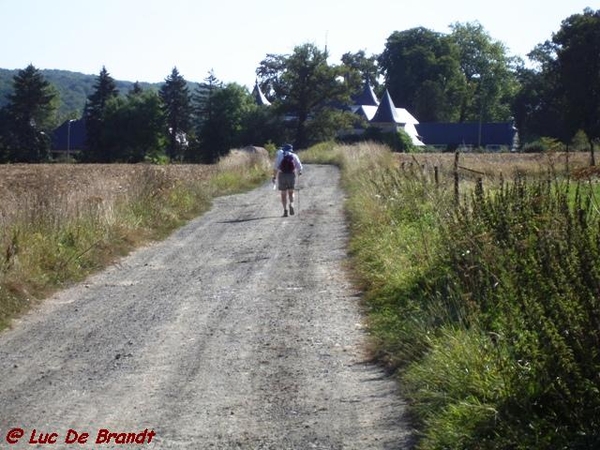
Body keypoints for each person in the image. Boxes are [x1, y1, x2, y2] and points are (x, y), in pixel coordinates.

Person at [272, 143, 303, 217]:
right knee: (291, 192)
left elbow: (275, 168)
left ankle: (285, 211)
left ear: (283, 149)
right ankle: (291, 204)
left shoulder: (280, 155)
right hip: (291, 175)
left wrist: (274, 177)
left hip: (282, 175)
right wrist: (299, 172)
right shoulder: (294, 156)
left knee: (283, 194)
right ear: (291, 150)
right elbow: (300, 167)